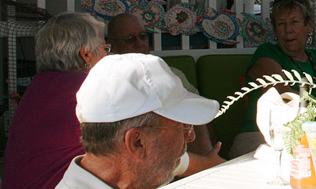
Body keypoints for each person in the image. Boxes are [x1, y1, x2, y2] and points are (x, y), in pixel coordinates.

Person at [56, 53, 220, 188]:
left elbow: (177, 161)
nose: (190, 136)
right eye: (182, 127)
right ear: (138, 142)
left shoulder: (121, 166)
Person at [3, 12, 109, 189]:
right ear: (85, 55)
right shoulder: (85, 90)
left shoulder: (40, 86)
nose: (107, 56)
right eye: (105, 48)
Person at [230, 0, 316, 158]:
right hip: (259, 138)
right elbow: (287, 98)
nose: (288, 30)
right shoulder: (266, 54)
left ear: (308, 25)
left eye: (294, 22)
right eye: (281, 24)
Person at [107, 13, 217, 156]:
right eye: (130, 39)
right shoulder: (109, 78)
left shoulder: (172, 73)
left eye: (143, 36)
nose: (139, 43)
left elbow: (203, 115)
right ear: (112, 44)